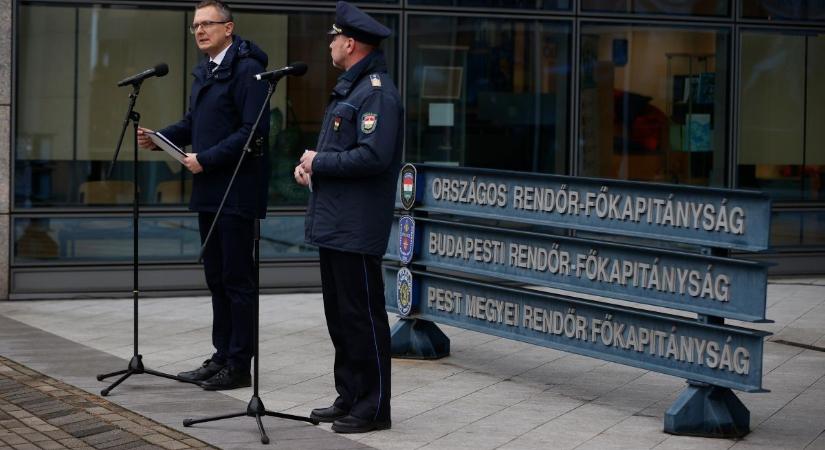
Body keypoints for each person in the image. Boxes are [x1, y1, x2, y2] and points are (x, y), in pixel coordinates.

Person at [137, 0, 269, 391]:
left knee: (236, 278)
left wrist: (205, 159)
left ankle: (239, 365)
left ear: (228, 28)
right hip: (210, 187)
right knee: (216, 277)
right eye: (195, 25)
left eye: (207, 24)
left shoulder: (248, 70)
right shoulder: (206, 71)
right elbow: (196, 122)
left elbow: (252, 131)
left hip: (237, 189)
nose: (199, 31)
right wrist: (162, 139)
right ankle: (221, 355)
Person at [294, 0, 402, 434]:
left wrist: (318, 162)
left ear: (351, 42)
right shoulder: (351, 89)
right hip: (336, 222)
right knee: (340, 316)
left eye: (335, 37)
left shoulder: (375, 91)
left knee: (362, 316)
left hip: (356, 227)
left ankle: (374, 407)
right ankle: (351, 395)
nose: (331, 44)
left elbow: (373, 157)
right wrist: (311, 169)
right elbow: (342, 155)